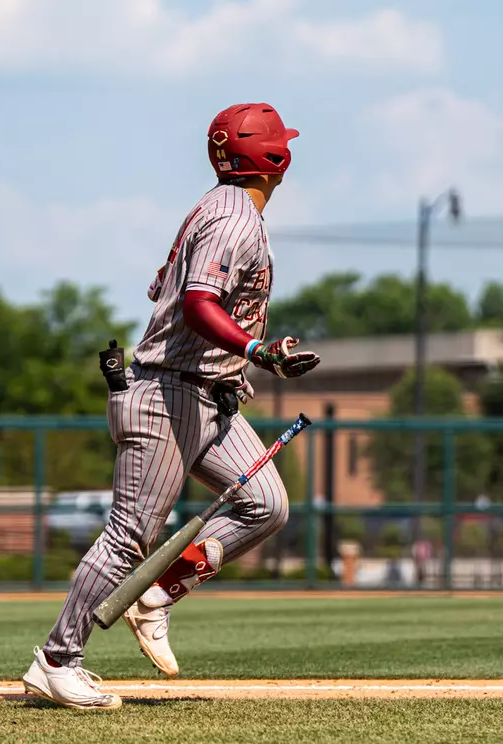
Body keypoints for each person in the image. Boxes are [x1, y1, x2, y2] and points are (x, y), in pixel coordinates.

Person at [22, 103, 320, 709]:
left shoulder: (217, 210)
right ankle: (57, 659)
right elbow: (195, 304)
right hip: (168, 395)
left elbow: (168, 292)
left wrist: (244, 356)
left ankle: (154, 596)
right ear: (273, 158)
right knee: (130, 536)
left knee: (265, 505)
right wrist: (257, 348)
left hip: (207, 394)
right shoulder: (235, 218)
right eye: (281, 143)